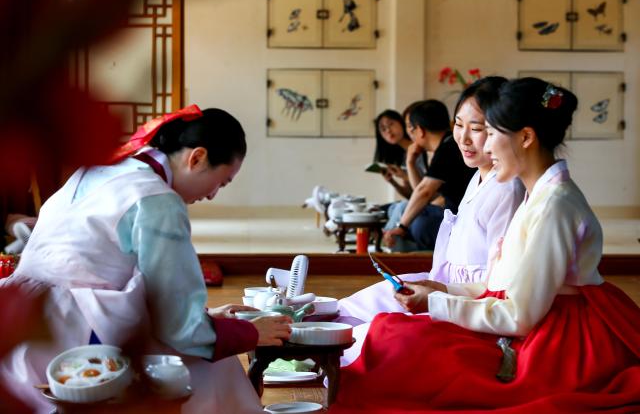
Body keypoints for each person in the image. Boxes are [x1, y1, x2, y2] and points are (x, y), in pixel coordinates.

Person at [328, 78, 640, 413]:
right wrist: (442, 290)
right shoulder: (539, 195)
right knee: (391, 333)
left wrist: (437, 302)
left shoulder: (553, 206)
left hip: (556, 343)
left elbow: (519, 315)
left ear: (525, 137)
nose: (485, 147)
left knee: (396, 342)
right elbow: (504, 285)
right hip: (529, 320)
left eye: (490, 133)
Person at [0, 105, 291, 414]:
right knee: (212, 366)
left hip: (23, 321)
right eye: (221, 182)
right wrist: (250, 332)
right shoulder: (157, 200)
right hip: (76, 336)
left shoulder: (100, 171)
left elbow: (115, 274)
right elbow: (179, 330)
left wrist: (205, 315)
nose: (212, 195)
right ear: (197, 158)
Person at [339, 77, 525, 326]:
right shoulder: (479, 177)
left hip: (466, 305)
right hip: (448, 288)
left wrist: (438, 295)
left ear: (501, 130)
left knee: (376, 330)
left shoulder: (506, 189)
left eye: (477, 129)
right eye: (459, 125)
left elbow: (499, 291)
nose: (464, 138)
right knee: (356, 305)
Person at [383, 99, 476, 251]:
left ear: (420, 130)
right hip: (452, 212)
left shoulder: (447, 149)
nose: (411, 136)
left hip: (462, 219)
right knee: (403, 210)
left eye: (411, 130)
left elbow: (424, 191)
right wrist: (410, 163)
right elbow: (423, 193)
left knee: (419, 225)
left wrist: (402, 226)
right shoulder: (449, 143)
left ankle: (397, 252)